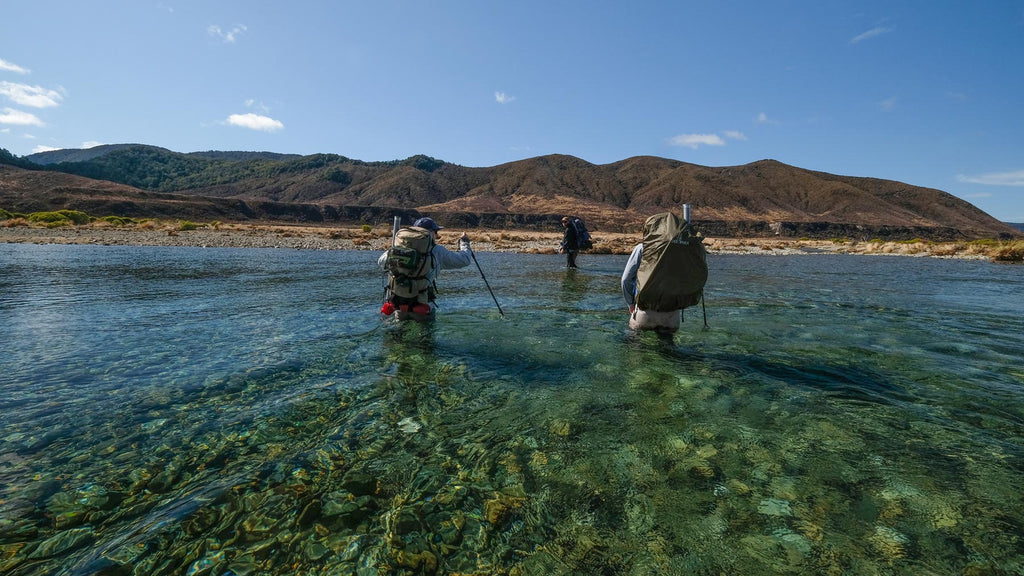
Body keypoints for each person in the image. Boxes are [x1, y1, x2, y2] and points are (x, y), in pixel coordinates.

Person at [620, 212, 707, 334]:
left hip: (644, 313)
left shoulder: (642, 248)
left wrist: (630, 304)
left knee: (636, 349)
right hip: (672, 316)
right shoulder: (685, 251)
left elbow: (625, 279)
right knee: (668, 351)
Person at [378, 217, 471, 319]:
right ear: (430, 233)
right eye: (435, 232)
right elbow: (464, 260)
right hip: (423, 306)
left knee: (399, 332)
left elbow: (381, 262)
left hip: (399, 304)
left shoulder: (398, 249)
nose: (437, 235)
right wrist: (464, 242)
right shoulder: (437, 251)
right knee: (424, 334)